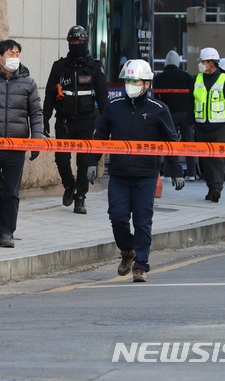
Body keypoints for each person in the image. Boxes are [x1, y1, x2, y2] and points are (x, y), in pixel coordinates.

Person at [87, 59, 185, 283]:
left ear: (147, 84)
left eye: (134, 80)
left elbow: (171, 141)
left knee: (142, 221)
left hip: (146, 175)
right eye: (127, 80)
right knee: (118, 218)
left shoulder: (159, 110)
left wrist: (177, 170)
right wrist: (92, 161)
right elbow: (100, 136)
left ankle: (140, 265)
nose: (129, 84)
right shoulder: (114, 107)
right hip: (119, 175)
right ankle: (127, 251)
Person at [0, 40, 43, 248]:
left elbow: (36, 113)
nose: (14, 58)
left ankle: (7, 232)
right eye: (10, 54)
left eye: (17, 54)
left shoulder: (28, 83)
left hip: (16, 146)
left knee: (10, 191)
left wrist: (37, 140)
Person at [43, 25, 108, 215]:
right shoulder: (59, 67)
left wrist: (107, 124)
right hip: (64, 121)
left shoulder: (95, 67)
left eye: (80, 42)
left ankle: (80, 197)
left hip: (86, 121)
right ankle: (69, 186)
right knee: (61, 159)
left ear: (86, 43)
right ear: (69, 44)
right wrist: (45, 118)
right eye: (73, 42)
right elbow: (49, 95)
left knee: (84, 162)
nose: (76, 45)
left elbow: (103, 99)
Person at [191, 47, 225, 202]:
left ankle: (217, 188)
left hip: (220, 127)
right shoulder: (197, 79)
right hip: (201, 126)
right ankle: (211, 187)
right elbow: (190, 102)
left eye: (203, 62)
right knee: (205, 159)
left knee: (217, 159)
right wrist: (192, 122)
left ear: (211, 63)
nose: (201, 64)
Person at [153, 50, 196, 180]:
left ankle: (167, 173)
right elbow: (194, 95)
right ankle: (191, 174)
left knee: (169, 142)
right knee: (189, 142)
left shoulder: (159, 78)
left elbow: (156, 98)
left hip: (168, 114)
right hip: (185, 113)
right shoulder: (187, 76)